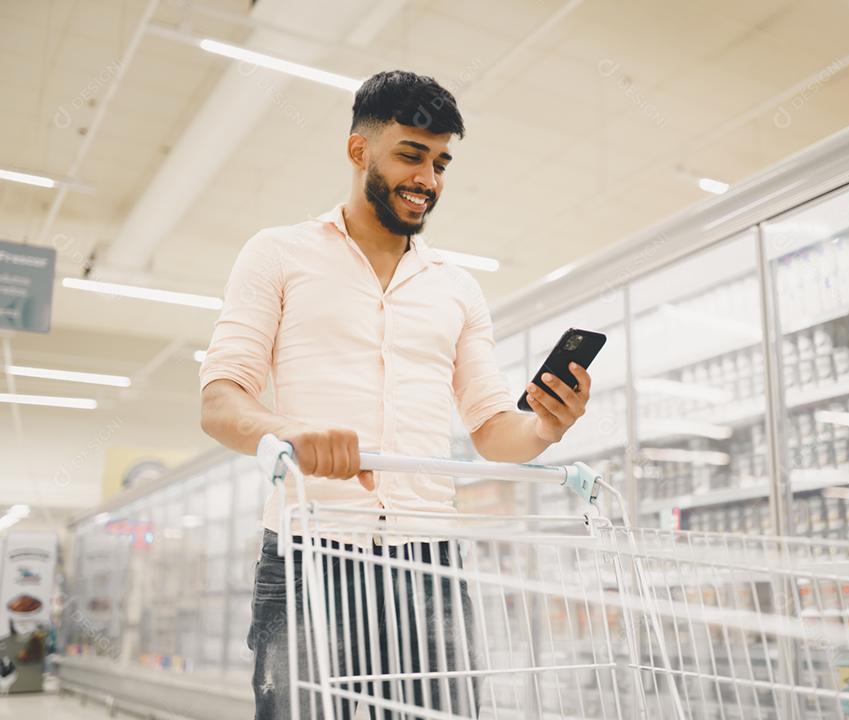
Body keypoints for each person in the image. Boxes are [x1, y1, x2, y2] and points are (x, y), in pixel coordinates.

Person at [199, 70, 592, 719]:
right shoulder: (277, 254)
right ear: (359, 150)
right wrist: (287, 434)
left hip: (429, 563)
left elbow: (495, 431)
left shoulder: (456, 288)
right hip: (309, 552)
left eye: (440, 163)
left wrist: (547, 425)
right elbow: (221, 401)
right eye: (412, 155)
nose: (428, 179)